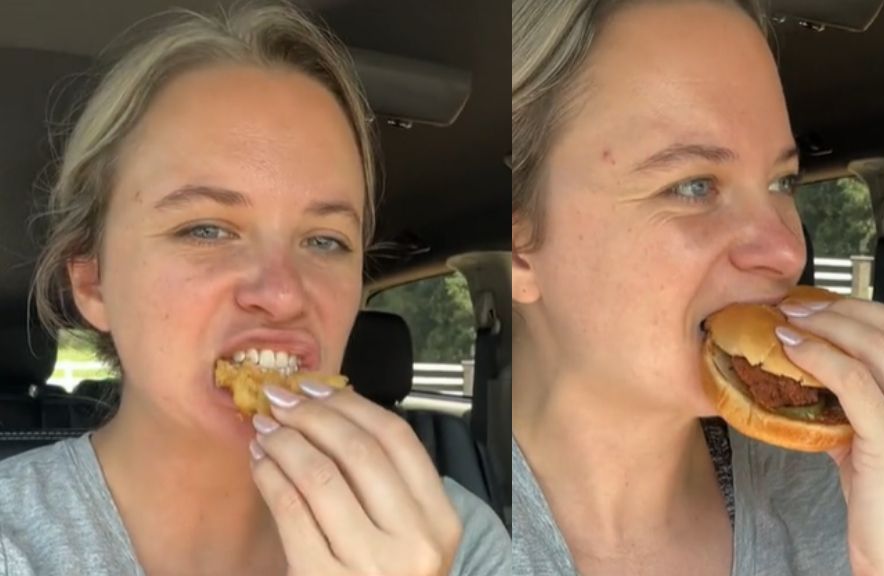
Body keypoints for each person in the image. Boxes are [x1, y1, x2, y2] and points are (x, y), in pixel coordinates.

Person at [0, 3, 509, 575]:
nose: (284, 294)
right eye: (206, 229)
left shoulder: (456, 541)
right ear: (93, 282)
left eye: (324, 240)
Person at [511, 1, 884, 575]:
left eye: (782, 181)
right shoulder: (417, 536)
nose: (788, 252)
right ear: (518, 253)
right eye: (693, 186)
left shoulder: (851, 480)